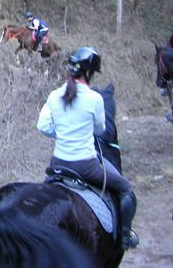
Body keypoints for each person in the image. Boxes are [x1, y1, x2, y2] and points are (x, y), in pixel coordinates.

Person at [37, 47, 138, 251]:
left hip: (56, 166)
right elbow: (100, 129)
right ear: (89, 72)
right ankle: (125, 237)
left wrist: (64, 131)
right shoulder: (95, 99)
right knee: (127, 191)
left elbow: (43, 127)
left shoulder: (54, 95)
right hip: (86, 167)